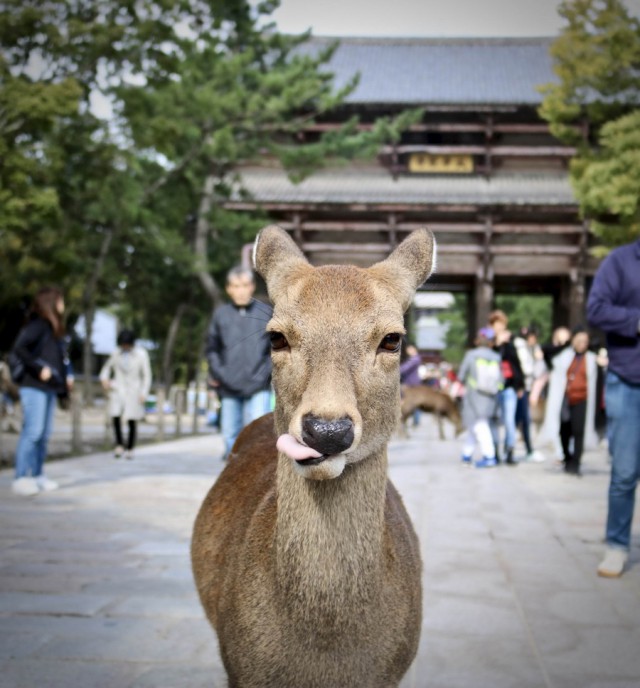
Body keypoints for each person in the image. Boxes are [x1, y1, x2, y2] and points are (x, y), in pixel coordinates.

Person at [587, 236, 640, 578]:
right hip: (629, 378)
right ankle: (617, 544)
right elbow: (596, 308)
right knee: (624, 471)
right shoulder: (621, 261)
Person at [205, 266, 273, 461]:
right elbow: (212, 349)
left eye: (244, 285)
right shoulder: (221, 315)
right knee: (229, 436)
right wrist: (219, 373)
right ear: (229, 289)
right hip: (228, 386)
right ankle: (232, 471)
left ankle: (256, 469)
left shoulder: (265, 312)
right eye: (236, 286)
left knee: (260, 432)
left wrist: (264, 374)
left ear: (251, 287)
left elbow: (275, 348)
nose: (241, 290)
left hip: (258, 385)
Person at [11, 287, 73, 496]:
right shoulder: (38, 325)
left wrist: (65, 381)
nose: (63, 303)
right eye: (60, 299)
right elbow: (19, 348)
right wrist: (39, 369)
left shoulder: (54, 329)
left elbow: (60, 360)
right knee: (33, 432)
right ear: (52, 302)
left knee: (44, 435)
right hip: (33, 386)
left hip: (49, 388)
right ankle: (21, 476)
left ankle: (37, 475)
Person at [540, 327, 598, 476]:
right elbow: (545, 351)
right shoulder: (564, 356)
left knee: (579, 431)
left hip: (582, 399)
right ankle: (567, 457)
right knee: (564, 430)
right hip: (566, 399)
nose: (582, 344)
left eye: (585, 341)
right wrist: (564, 344)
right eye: (579, 340)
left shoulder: (591, 358)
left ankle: (576, 462)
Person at [99, 329, 152, 460]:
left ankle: (130, 447)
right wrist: (104, 379)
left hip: (134, 390)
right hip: (118, 389)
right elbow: (106, 368)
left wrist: (144, 392)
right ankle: (119, 444)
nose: (125, 346)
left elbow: (147, 375)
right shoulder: (116, 353)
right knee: (115, 416)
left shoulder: (141, 354)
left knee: (132, 419)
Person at [458, 326, 503, 468]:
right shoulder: (496, 357)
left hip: (474, 397)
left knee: (480, 427)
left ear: (478, 341)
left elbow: (461, 375)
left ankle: (489, 456)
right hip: (490, 398)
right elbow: (501, 380)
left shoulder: (471, 355)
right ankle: (466, 454)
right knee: (475, 426)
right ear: (491, 342)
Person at [488, 310, 524, 464]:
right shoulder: (488, 341)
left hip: (509, 387)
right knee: (494, 420)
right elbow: (490, 359)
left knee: (509, 420)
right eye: (496, 324)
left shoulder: (511, 341)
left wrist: (520, 385)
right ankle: (495, 450)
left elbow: (516, 363)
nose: (499, 327)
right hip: (493, 388)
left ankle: (509, 451)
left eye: (501, 324)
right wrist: (496, 344)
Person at [513, 325, 546, 462]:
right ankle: (518, 449)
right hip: (519, 388)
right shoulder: (520, 348)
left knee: (521, 419)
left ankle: (525, 448)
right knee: (520, 419)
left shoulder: (530, 348)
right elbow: (524, 369)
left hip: (524, 387)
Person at [400, 342, 423, 427]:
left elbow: (405, 368)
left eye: (409, 349)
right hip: (411, 383)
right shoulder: (413, 358)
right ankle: (415, 421)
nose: (407, 350)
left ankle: (416, 421)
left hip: (412, 384)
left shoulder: (415, 359)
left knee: (414, 402)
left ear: (413, 349)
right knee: (413, 401)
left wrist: (395, 370)